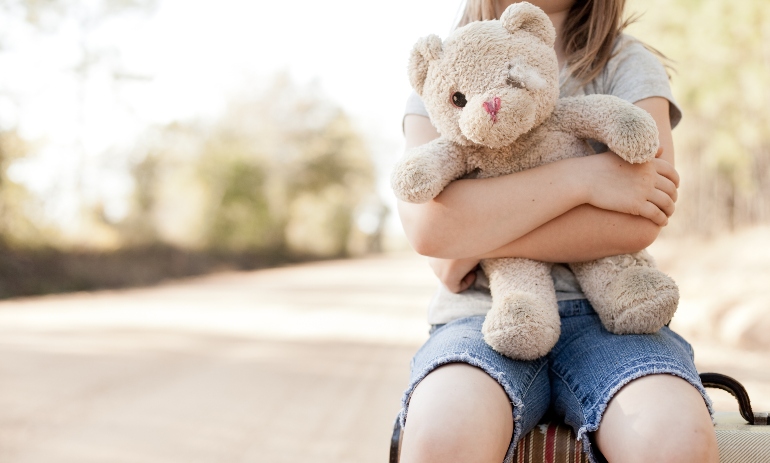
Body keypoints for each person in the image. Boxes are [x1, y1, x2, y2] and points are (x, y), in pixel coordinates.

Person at [395, 0, 719, 462]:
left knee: (673, 438)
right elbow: (432, 234)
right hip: (480, 317)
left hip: (610, 315)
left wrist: (474, 232)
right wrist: (584, 180)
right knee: (444, 435)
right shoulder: (444, 72)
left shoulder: (625, 63)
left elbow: (641, 215)